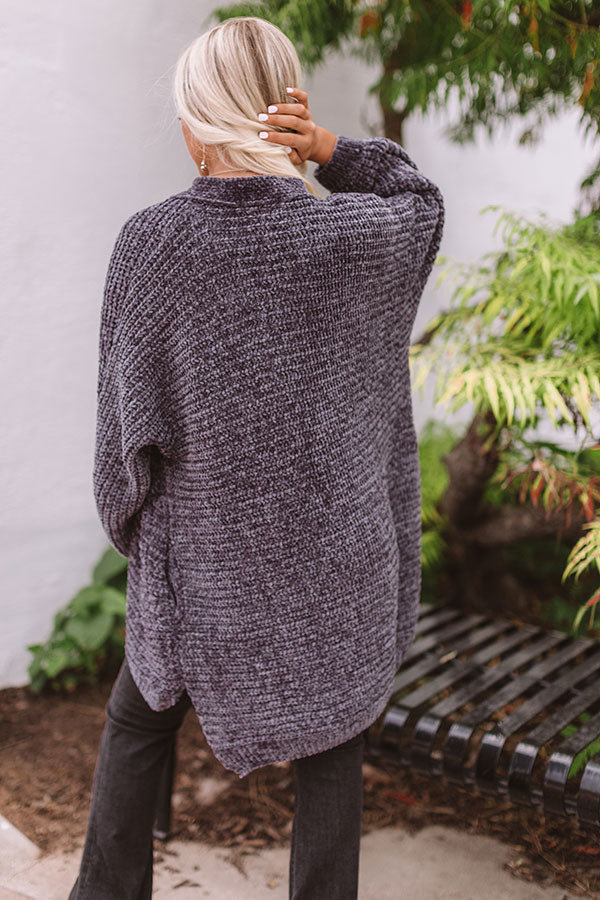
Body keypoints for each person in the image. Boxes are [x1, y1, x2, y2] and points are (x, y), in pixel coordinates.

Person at [68, 15, 444, 900]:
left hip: (205, 572)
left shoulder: (156, 246)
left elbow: (122, 459)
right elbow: (420, 199)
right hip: (339, 568)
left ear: (198, 125)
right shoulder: (359, 237)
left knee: (138, 719)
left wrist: (143, 538)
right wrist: (326, 148)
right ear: (284, 112)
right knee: (333, 743)